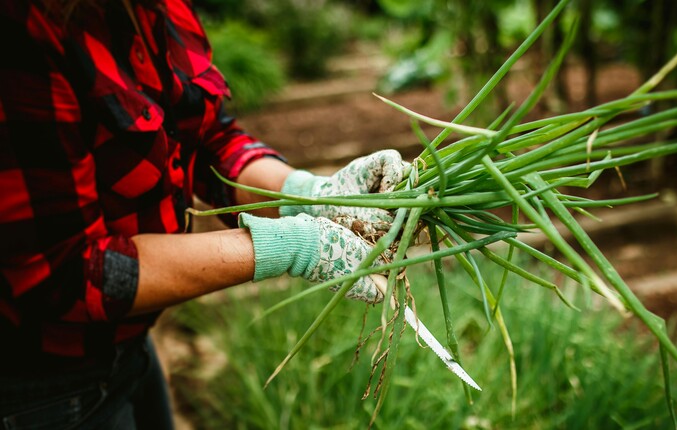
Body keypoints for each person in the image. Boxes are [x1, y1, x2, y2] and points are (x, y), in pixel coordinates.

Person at [0, 0, 404, 428]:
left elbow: (208, 136)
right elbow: (64, 272)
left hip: (131, 344)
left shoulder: (160, 8)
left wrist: (310, 194)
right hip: (45, 386)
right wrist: (291, 246)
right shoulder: (22, 31)